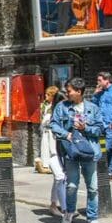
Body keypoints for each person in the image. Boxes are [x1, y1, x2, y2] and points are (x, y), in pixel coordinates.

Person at [51, 78, 106, 223]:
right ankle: (69, 212)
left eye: (69, 91)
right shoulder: (62, 107)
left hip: (89, 151)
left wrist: (85, 128)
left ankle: (93, 219)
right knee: (71, 186)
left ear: (79, 91)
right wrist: (66, 134)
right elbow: (54, 124)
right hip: (71, 151)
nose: (67, 93)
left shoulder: (93, 108)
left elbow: (100, 128)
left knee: (93, 187)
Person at [38, 86, 67, 216]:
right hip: (53, 148)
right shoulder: (51, 112)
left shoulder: (55, 111)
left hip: (58, 149)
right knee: (60, 177)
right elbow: (44, 124)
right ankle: (65, 208)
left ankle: (55, 205)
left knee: (59, 178)